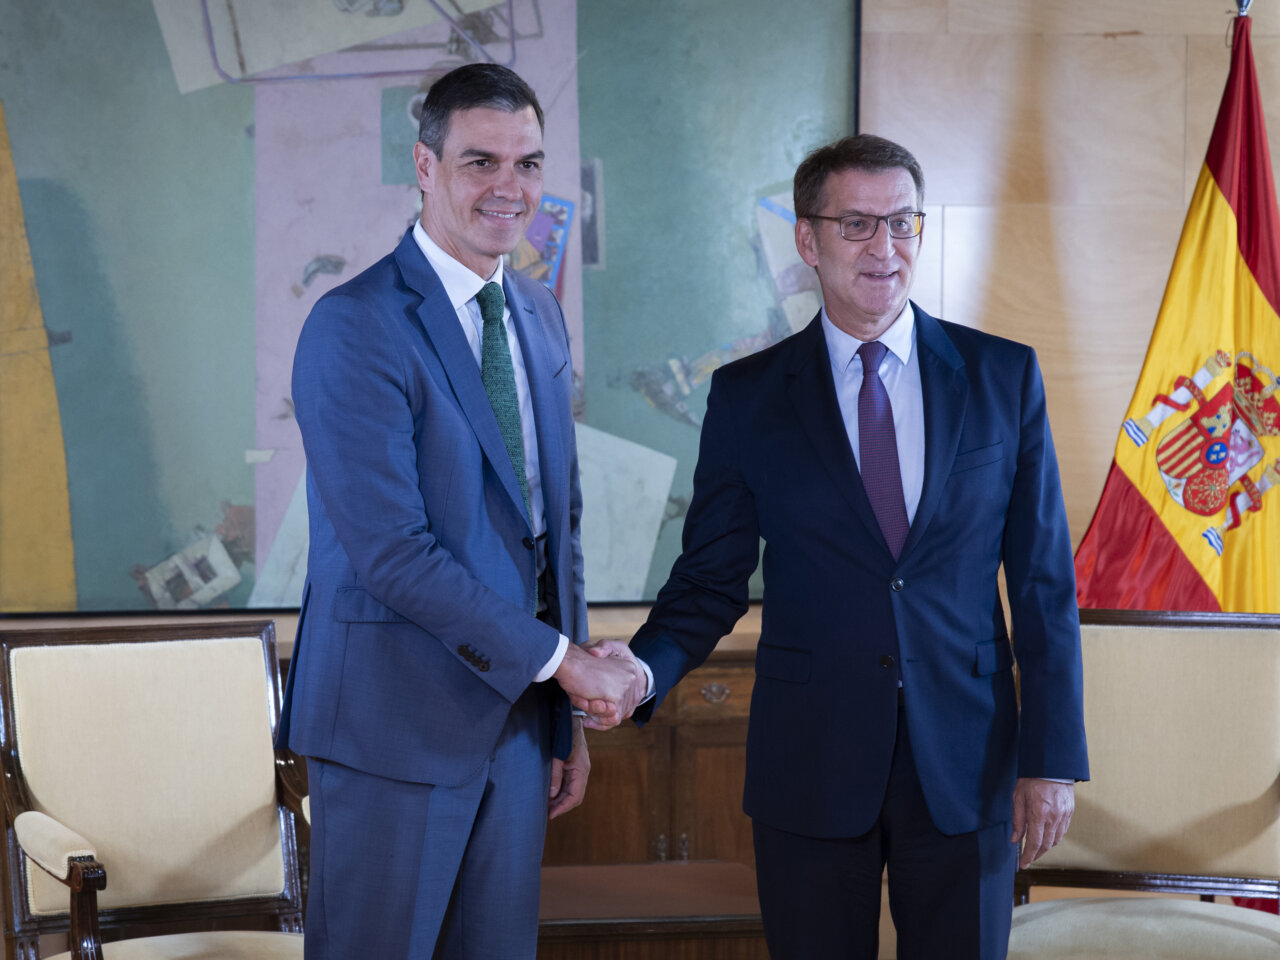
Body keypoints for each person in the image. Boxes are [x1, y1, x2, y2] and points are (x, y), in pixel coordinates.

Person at [596, 134, 1089, 959]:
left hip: (967, 762)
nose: (883, 247)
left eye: (901, 221)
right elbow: (711, 578)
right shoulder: (749, 398)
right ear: (807, 239)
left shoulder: (1003, 376)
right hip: (811, 759)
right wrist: (642, 669)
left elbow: (1043, 585)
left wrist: (1052, 760)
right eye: (856, 224)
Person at [277, 63, 646, 959]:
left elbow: (559, 528)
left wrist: (563, 716)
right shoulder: (355, 323)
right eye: (481, 161)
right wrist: (565, 664)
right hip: (391, 729)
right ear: (425, 166)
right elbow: (392, 553)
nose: (509, 188)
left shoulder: (536, 315)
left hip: (518, 731)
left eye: (528, 164)